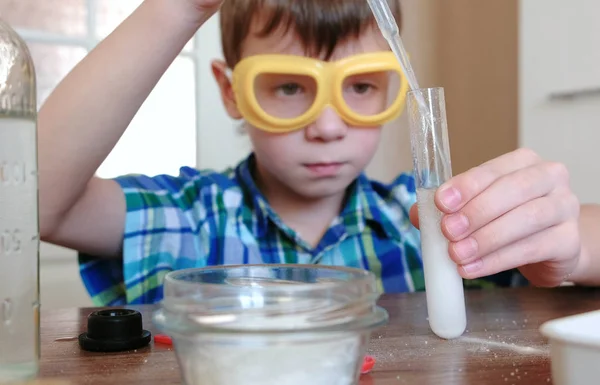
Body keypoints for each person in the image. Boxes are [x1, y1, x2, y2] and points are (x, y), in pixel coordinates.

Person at [37, 0, 600, 306]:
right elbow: (32, 202)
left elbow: (584, 235)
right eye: (288, 87)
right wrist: (175, 8)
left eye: (359, 87)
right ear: (233, 91)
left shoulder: (425, 224)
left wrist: (566, 249)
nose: (328, 127)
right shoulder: (189, 216)